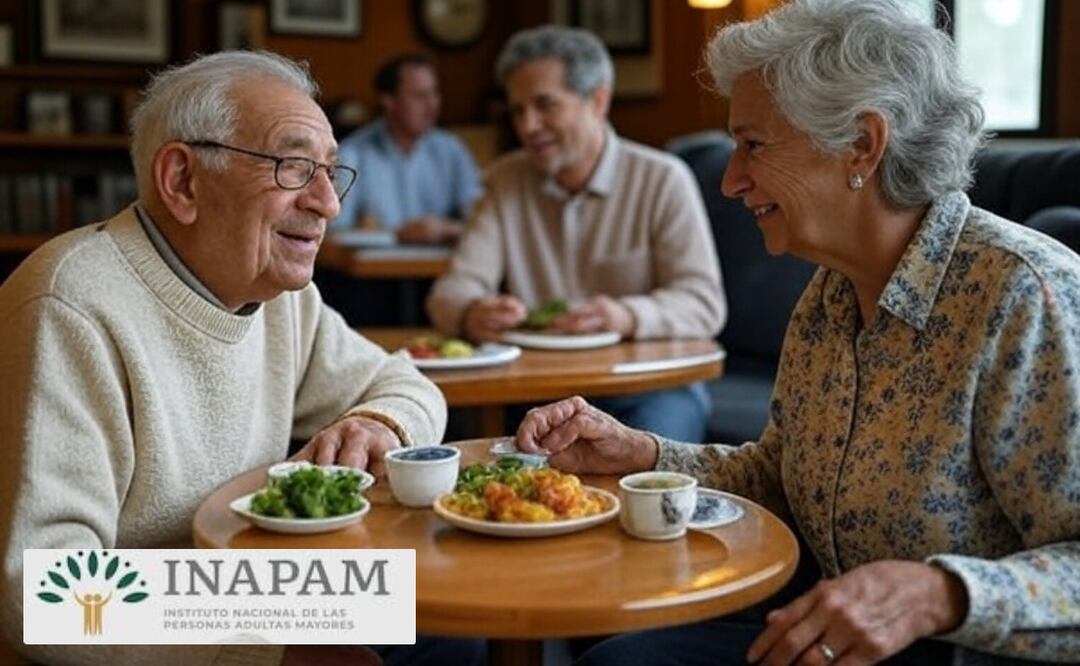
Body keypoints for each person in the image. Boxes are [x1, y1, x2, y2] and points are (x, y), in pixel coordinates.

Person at [512, 1, 1080, 664]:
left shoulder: (1025, 294)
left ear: (863, 144)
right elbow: (783, 478)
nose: (729, 180)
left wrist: (939, 594)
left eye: (753, 145)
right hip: (823, 628)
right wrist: (640, 453)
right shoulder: (830, 293)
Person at [0, 51, 482, 666]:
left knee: (460, 638)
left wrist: (378, 423)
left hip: (263, 596)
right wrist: (271, 638)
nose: (328, 203)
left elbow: (405, 382)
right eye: (292, 166)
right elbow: (49, 598)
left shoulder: (279, 295)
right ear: (182, 181)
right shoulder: (69, 308)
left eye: (330, 172)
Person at [427, 26, 726, 442]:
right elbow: (449, 293)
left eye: (545, 105)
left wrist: (624, 315)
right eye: (517, 111)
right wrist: (472, 312)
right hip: (536, 396)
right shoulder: (503, 182)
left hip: (645, 391)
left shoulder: (663, 179)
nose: (528, 126)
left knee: (648, 495)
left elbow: (703, 303)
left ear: (597, 100)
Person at [330, 53, 481, 244]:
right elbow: (334, 234)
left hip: (441, 269)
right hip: (375, 271)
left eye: (434, 93)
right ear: (388, 101)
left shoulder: (452, 150)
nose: (432, 104)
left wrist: (446, 229)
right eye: (420, 96)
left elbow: (482, 221)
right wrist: (395, 235)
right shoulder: (352, 153)